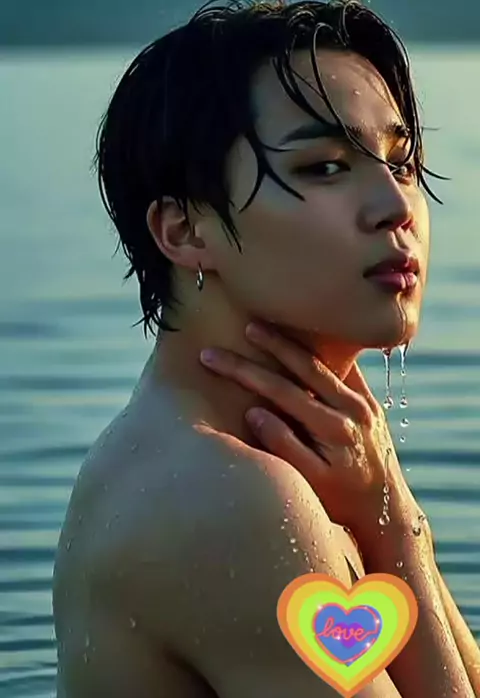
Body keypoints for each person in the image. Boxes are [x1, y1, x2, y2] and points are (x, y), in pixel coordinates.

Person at [52, 1, 480, 696]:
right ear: (185, 231)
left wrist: (388, 509)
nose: (397, 207)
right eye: (326, 167)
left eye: (402, 163)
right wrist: (394, 530)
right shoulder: (228, 498)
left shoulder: (238, 454)